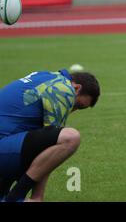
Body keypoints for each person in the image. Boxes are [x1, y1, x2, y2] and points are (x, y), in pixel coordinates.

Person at [0, 69, 100, 201]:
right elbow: (49, 144)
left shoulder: (47, 76)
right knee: (70, 137)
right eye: (78, 105)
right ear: (76, 88)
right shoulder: (63, 89)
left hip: (8, 143)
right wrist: (37, 197)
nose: (73, 110)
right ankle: (16, 196)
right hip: (4, 146)